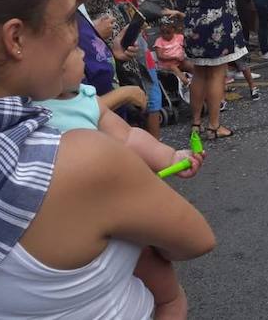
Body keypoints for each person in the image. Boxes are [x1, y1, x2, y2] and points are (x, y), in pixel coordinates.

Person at [0, 0, 214, 318]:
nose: (78, 39)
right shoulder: (78, 161)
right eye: (70, 17)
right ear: (15, 39)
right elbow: (195, 240)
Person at [40, 46, 204, 320]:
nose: (82, 53)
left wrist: (171, 157)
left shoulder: (85, 99)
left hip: (110, 221)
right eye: (71, 49)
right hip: (62, 230)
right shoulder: (19, 110)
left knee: (168, 294)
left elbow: (128, 136)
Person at [177, 0, 252, 140]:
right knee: (217, 75)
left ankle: (196, 123)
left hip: (194, 26)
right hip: (217, 26)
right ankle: (214, 125)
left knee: (199, 74)